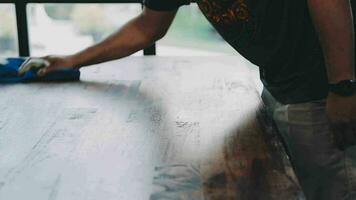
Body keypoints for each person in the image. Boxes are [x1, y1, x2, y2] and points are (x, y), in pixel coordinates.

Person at [35, 0, 356, 199]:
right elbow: (148, 27)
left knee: (335, 190)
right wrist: (73, 59)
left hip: (323, 88)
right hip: (281, 84)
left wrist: (343, 87)